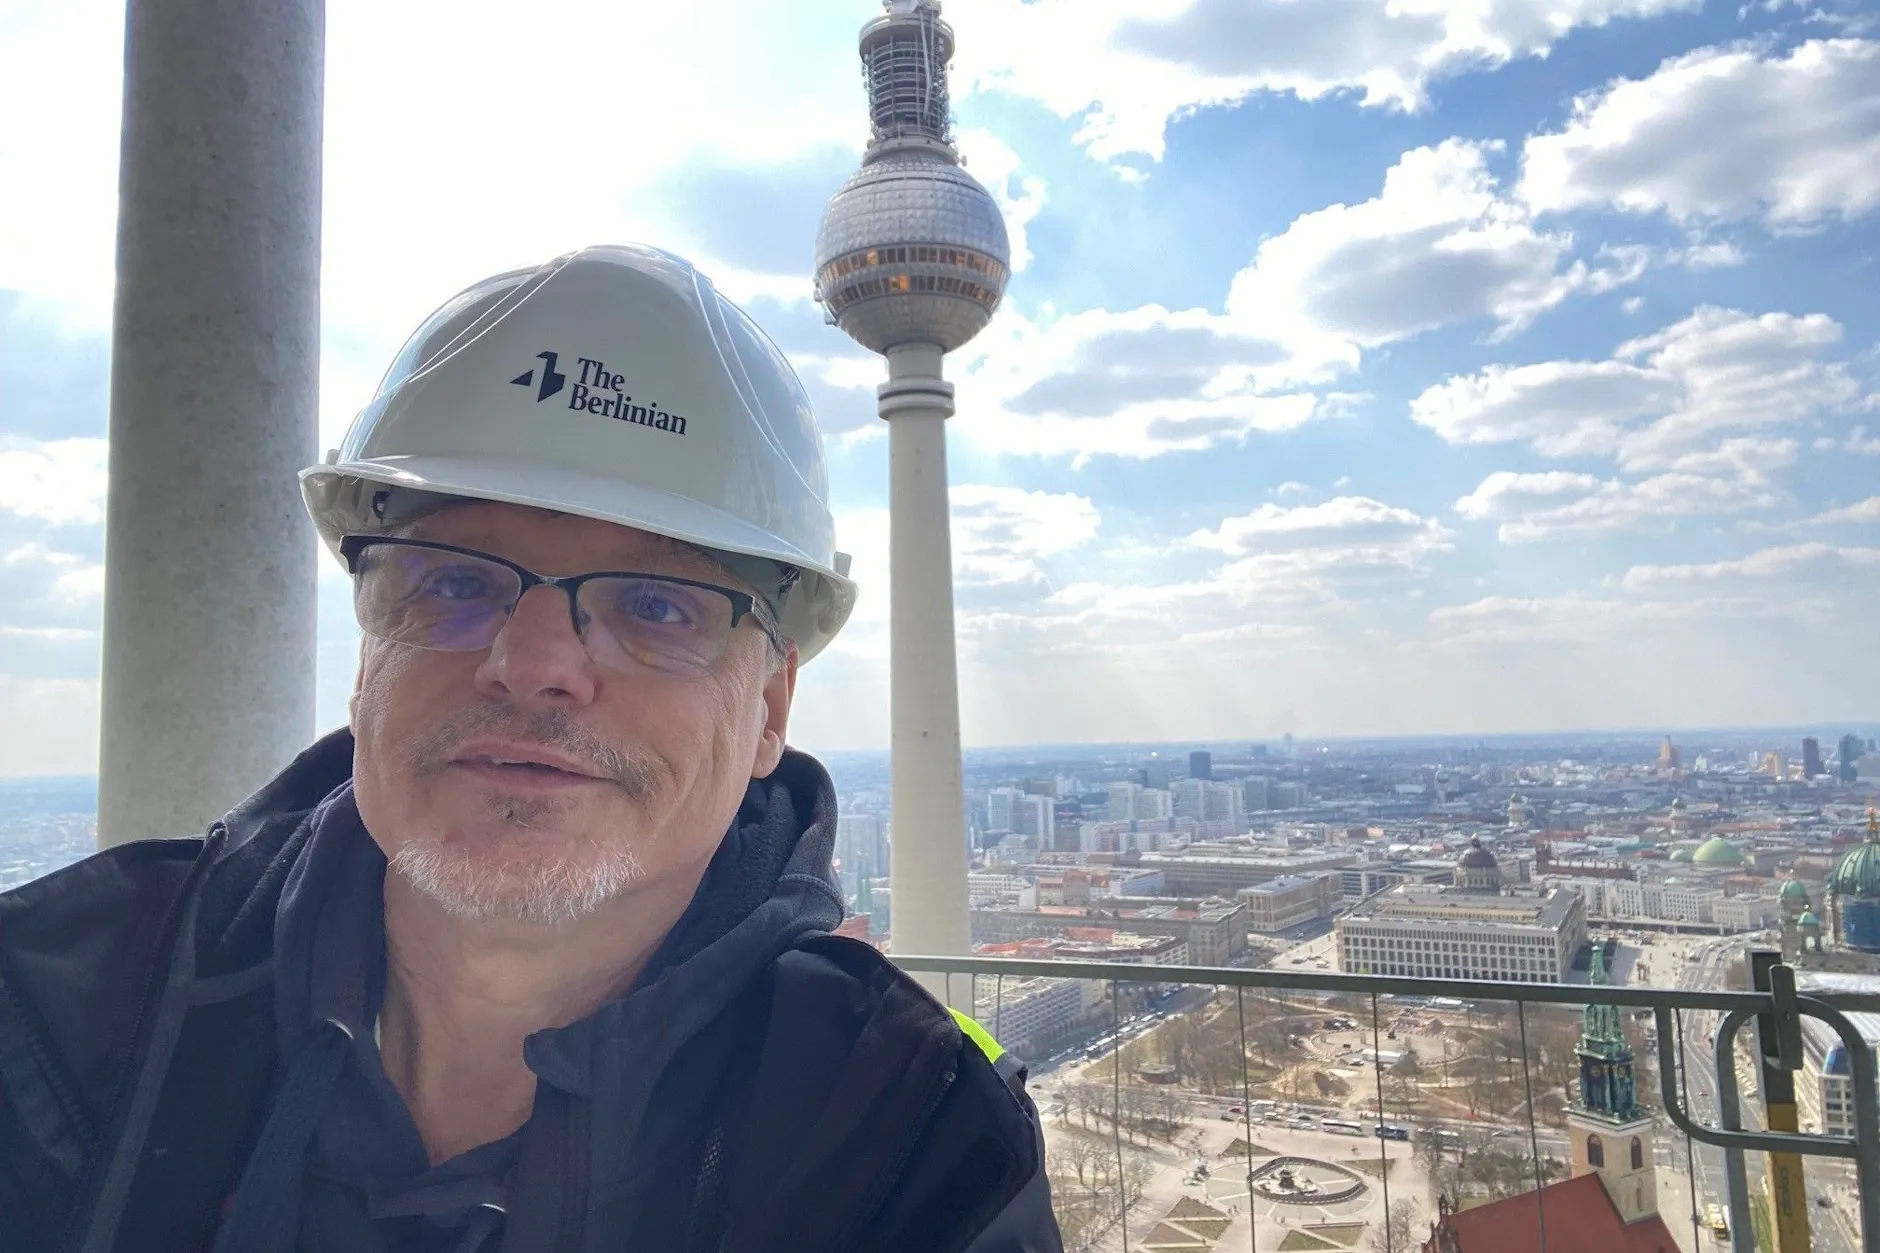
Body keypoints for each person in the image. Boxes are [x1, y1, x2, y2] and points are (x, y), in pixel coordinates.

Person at [0, 245, 1062, 1253]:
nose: (532, 660)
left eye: (657, 604)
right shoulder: (59, 1008)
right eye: (453, 582)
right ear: (369, 658)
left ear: (769, 710)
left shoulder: (907, 1137)